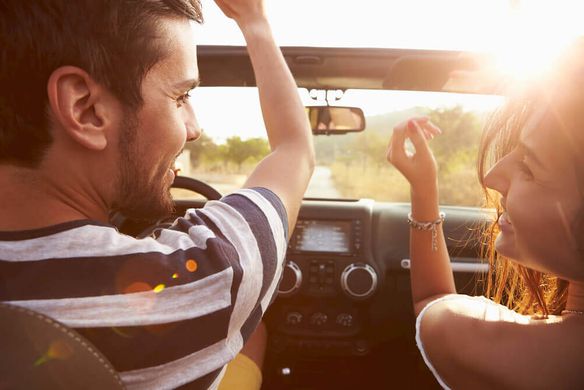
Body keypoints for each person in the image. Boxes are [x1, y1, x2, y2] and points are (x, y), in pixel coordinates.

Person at [0, 0, 314, 389]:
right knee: (255, 332)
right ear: (85, 109)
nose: (194, 127)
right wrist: (255, 21)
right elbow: (294, 151)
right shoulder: (201, 281)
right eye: (181, 97)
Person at [386, 48, 584, 388]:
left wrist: (423, 189)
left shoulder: (514, 356)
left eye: (528, 166)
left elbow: (433, 303)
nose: (492, 176)